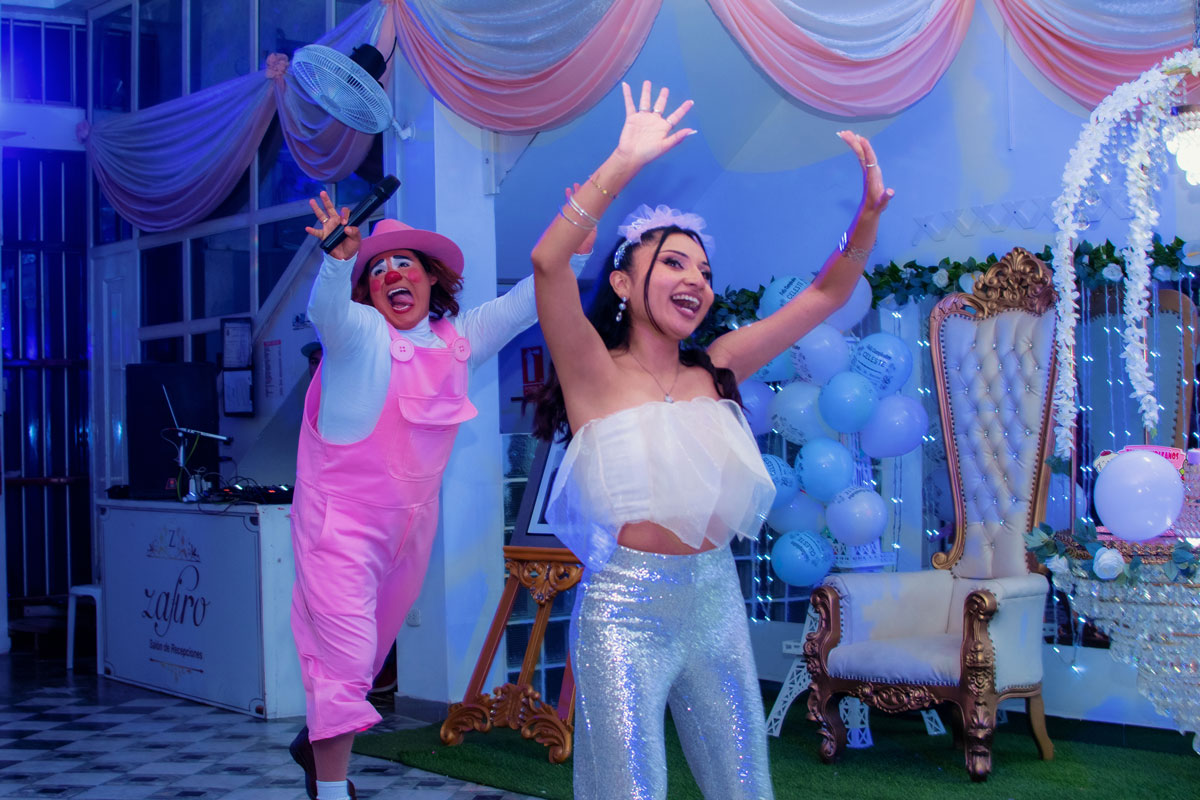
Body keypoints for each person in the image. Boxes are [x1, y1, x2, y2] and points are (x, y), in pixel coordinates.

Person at [530, 81, 892, 799]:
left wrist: (868, 219)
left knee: (744, 787)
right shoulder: (592, 372)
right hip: (625, 610)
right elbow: (547, 263)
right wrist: (625, 161)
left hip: (714, 600)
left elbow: (825, 295)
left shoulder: (718, 365)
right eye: (673, 262)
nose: (695, 279)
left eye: (703, 270)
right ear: (623, 282)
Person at [289, 194, 593, 800]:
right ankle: (332, 790)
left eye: (403, 264)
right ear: (367, 292)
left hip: (411, 530)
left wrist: (576, 246)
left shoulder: (459, 340)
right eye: (377, 270)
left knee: (364, 659)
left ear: (431, 278)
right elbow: (326, 311)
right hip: (337, 525)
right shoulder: (359, 333)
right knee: (344, 659)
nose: (390, 276)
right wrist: (336, 262)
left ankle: (314, 741)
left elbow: (526, 301)